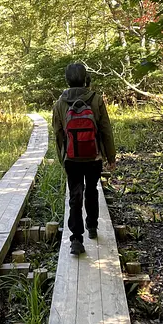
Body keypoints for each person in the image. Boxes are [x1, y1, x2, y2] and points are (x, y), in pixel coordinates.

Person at [52, 63, 116, 255]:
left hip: (71, 159)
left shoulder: (59, 103)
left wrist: (62, 158)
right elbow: (106, 129)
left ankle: (77, 239)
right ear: (85, 78)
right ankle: (92, 226)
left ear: (67, 79)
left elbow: (57, 134)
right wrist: (110, 156)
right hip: (93, 157)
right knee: (92, 190)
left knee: (75, 195)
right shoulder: (96, 99)